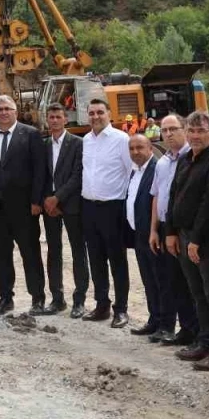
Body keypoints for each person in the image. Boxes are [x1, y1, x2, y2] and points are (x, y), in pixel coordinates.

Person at [166, 110, 209, 371]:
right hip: (183, 236)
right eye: (191, 131)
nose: (195, 136)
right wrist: (170, 231)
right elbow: (173, 195)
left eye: (201, 131)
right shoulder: (185, 159)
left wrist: (195, 240)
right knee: (198, 294)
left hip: (204, 241)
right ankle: (204, 342)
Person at [0, 95, 47, 316]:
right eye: (0, 109)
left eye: (8, 108)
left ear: (15, 112)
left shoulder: (31, 134)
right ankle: (5, 297)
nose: (4, 112)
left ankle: (37, 298)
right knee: (1, 255)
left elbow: (40, 170)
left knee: (30, 254)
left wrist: (36, 201)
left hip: (25, 208)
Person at [79, 97, 133, 327]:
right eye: (92, 113)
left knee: (117, 260)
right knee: (96, 259)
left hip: (113, 208)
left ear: (109, 113)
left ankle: (121, 309)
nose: (96, 117)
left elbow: (131, 172)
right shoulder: (86, 140)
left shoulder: (121, 139)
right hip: (89, 207)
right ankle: (102, 305)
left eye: (100, 112)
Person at [147, 115, 198, 346]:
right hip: (165, 227)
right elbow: (157, 197)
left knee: (191, 284)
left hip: (184, 229)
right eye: (164, 130)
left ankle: (199, 333)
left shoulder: (191, 158)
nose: (168, 134)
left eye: (173, 129)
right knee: (174, 281)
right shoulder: (163, 162)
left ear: (184, 129)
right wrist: (153, 230)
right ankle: (186, 330)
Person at [41, 102, 85, 316]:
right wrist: (47, 200)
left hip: (71, 205)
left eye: (59, 117)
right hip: (50, 208)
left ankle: (79, 300)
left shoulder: (78, 143)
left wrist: (58, 198)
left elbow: (78, 175)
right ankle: (57, 299)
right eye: (51, 117)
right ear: (47, 120)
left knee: (78, 251)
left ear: (65, 119)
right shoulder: (43, 145)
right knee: (53, 251)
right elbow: (39, 175)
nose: (55, 120)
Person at [126, 133, 162, 337]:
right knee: (148, 280)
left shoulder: (156, 169)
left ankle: (165, 324)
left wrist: (155, 231)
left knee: (160, 281)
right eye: (132, 149)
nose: (135, 152)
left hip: (153, 235)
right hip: (138, 234)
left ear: (150, 148)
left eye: (140, 148)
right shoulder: (135, 171)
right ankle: (154, 320)